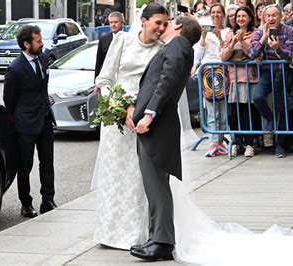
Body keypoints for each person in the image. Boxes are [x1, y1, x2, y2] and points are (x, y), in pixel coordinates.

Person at [92, 3, 169, 250]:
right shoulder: (122, 41)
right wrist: (119, 106)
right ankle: (109, 233)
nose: (161, 28)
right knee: (114, 176)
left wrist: (139, 110)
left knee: (138, 180)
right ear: (143, 21)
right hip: (116, 123)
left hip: (142, 124)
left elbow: (159, 89)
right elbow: (104, 80)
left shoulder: (162, 51)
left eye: (165, 24)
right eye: (158, 22)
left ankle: (135, 235)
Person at [129, 15, 202, 261]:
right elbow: (158, 82)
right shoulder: (176, 47)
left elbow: (166, 82)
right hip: (156, 124)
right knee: (154, 184)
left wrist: (148, 115)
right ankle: (157, 238)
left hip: (157, 126)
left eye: (168, 23)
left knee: (156, 185)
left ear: (179, 27)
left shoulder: (178, 45)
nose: (164, 26)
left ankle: (161, 242)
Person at [3, 25, 57, 218]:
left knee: (47, 163)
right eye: (38, 41)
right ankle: (26, 204)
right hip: (25, 124)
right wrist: (18, 119)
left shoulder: (43, 59)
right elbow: (8, 99)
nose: (42, 43)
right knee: (25, 166)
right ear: (26, 44)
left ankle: (48, 200)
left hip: (45, 119)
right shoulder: (15, 68)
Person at [248, 4, 293, 158]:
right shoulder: (259, 31)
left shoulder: (289, 31)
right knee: (257, 96)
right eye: (268, 16)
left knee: (282, 107)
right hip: (267, 72)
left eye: (274, 15)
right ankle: (269, 119)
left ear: (281, 17)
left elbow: (290, 56)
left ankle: (280, 146)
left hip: (284, 72)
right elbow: (252, 53)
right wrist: (263, 38)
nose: (271, 18)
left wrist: (277, 48)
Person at [220, 6, 259, 157]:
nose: (241, 19)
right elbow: (223, 56)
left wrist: (242, 41)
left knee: (249, 112)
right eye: (238, 16)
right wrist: (232, 42)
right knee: (234, 113)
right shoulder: (230, 34)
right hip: (234, 79)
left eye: (244, 16)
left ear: (250, 18)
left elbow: (254, 54)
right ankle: (236, 142)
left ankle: (249, 143)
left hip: (250, 78)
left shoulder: (255, 33)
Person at [193, 3, 229, 157]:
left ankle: (220, 141)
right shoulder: (204, 31)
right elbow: (198, 53)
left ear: (223, 14)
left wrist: (220, 37)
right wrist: (202, 37)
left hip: (223, 72)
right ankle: (213, 143)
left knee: (223, 111)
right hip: (208, 72)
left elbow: (226, 52)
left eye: (218, 12)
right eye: (213, 12)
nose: (216, 15)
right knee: (212, 111)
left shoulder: (228, 31)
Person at [95, 11, 125, 80]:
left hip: (122, 79)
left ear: (122, 23)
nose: (113, 25)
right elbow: (99, 62)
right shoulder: (103, 39)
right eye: (111, 22)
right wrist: (96, 81)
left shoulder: (129, 39)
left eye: (115, 22)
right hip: (106, 79)